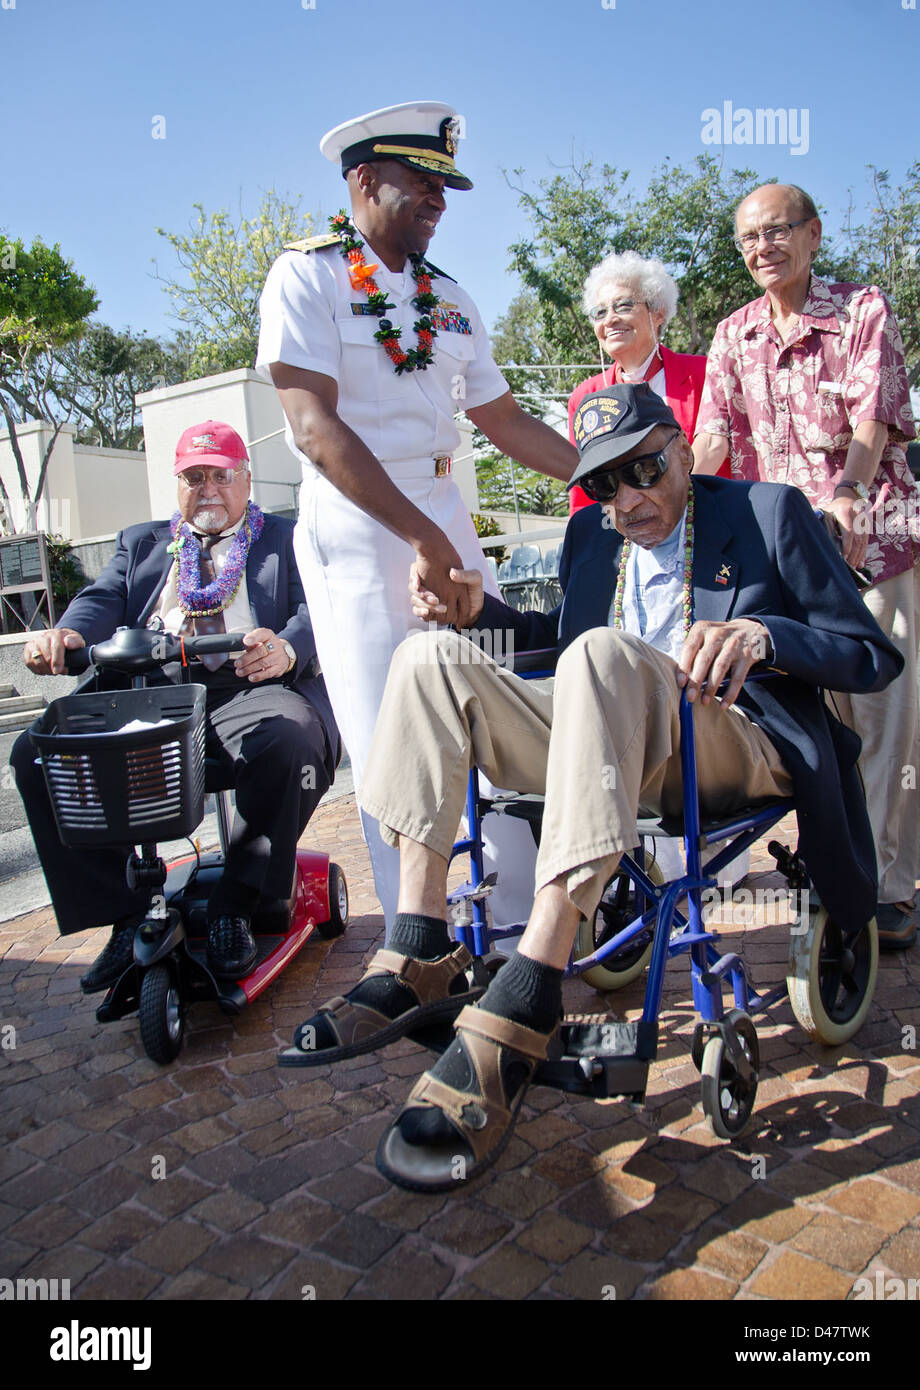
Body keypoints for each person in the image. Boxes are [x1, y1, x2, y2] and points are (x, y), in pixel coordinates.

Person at [281, 383, 901, 1190]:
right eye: (604, 483)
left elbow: (868, 653)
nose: (626, 499)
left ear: (682, 446)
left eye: (643, 470)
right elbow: (554, 645)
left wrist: (761, 633)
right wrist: (476, 614)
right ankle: (419, 946)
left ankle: (533, 977)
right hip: (606, 729)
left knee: (606, 653)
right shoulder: (588, 536)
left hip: (728, 736)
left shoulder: (768, 513)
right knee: (426, 660)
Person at [256, 100, 578, 929]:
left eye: (445, 184)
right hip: (361, 528)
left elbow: (504, 422)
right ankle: (421, 944)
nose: (439, 199)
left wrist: (615, 479)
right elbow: (314, 429)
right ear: (363, 179)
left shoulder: (451, 297)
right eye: (421, 180)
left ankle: (506, 929)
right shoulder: (308, 274)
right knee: (390, 734)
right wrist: (424, 539)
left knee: (490, 708)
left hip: (446, 514)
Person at [11, 421, 338, 986]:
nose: (208, 488)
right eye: (194, 476)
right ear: (176, 483)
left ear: (246, 480)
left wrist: (286, 649)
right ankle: (125, 912)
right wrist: (65, 635)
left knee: (291, 740)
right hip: (148, 694)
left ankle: (237, 905)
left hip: (249, 689)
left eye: (221, 475)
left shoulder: (286, 537)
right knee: (37, 756)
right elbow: (100, 599)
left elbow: (319, 608)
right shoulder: (142, 542)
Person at [693, 182, 920, 950]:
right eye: (750, 238)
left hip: (871, 544)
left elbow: (874, 416)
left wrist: (850, 491)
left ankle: (886, 886)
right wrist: (673, 511)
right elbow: (713, 443)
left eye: (779, 231)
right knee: (814, 725)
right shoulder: (733, 333)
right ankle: (837, 867)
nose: (764, 247)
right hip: (786, 560)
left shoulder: (861, 311)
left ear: (814, 235)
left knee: (884, 718)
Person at [567, 250, 710, 514]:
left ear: (658, 313)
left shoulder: (704, 374)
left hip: (705, 522)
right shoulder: (585, 397)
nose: (610, 319)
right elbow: (585, 491)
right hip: (625, 535)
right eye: (599, 312)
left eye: (623, 305)